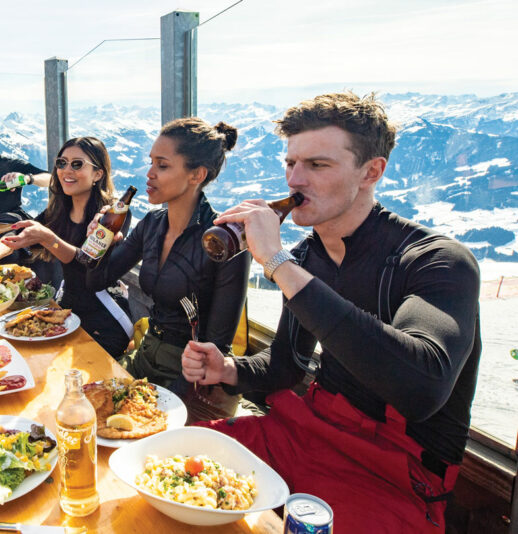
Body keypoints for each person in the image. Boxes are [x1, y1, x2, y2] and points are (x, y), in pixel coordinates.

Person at [182, 92, 481, 533]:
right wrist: (226, 368)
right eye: (291, 164)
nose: (295, 180)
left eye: (317, 166)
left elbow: (421, 389)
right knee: (170, 466)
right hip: (304, 433)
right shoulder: (307, 258)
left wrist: (276, 263)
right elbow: (285, 367)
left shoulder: (436, 261)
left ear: (371, 171)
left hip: (391, 475)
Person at [86, 118, 250, 418]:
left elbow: (216, 345)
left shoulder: (224, 242)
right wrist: (100, 244)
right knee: (78, 406)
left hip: (194, 380)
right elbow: (97, 280)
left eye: (162, 165)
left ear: (196, 175)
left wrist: (155, 407)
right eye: (151, 163)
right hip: (146, 356)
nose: (149, 174)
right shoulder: (152, 224)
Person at [0, 137, 134, 358]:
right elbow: (19, 232)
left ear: (98, 174)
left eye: (77, 164)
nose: (66, 170)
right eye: (62, 163)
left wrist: (49, 239)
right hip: (66, 309)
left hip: (105, 318)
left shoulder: (111, 215)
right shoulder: (57, 211)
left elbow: (87, 265)